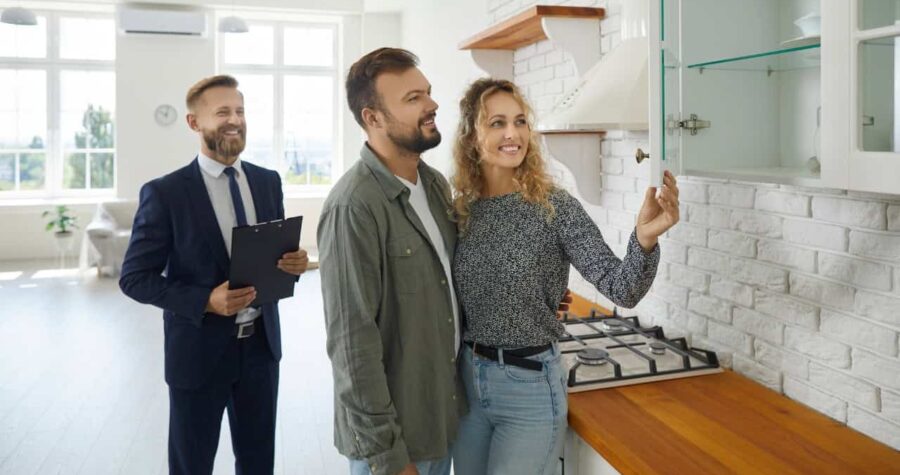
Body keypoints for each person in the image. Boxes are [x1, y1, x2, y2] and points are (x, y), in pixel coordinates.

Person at [449, 78, 679, 474]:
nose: (512, 134)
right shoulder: (459, 211)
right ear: (472, 137)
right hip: (467, 384)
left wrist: (643, 239)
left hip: (529, 388)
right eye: (497, 123)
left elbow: (621, 288)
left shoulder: (554, 206)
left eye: (520, 122)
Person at [119, 74, 308, 474]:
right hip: (198, 355)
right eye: (222, 112)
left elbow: (271, 255)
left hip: (261, 350)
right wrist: (205, 299)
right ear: (194, 123)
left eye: (239, 111)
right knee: (192, 464)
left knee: (258, 463)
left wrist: (292, 264)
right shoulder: (165, 193)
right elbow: (134, 277)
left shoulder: (267, 181)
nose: (234, 120)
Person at [317, 47, 462, 475]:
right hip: (392, 446)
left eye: (428, 93)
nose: (432, 105)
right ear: (373, 118)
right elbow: (351, 345)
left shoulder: (434, 186)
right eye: (413, 98)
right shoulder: (353, 206)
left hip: (438, 420)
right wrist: (387, 457)